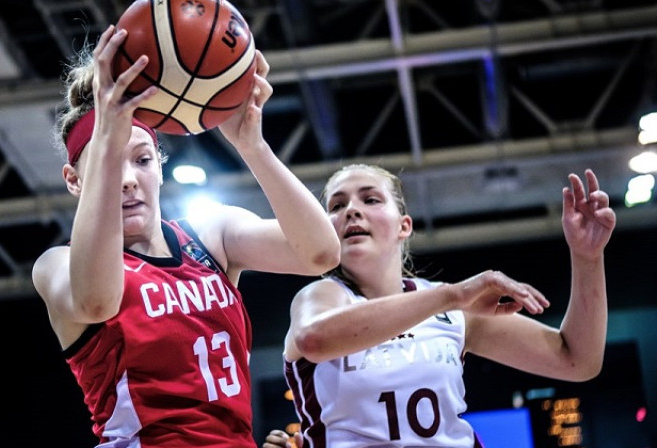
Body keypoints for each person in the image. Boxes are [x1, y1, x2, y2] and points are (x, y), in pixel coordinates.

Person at [31, 24, 341, 448]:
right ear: (74, 180)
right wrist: (105, 135)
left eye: (141, 159)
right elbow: (97, 301)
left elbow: (321, 254)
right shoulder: (56, 265)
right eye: (107, 162)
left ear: (159, 165)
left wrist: (252, 145)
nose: (127, 180)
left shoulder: (210, 234)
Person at [263, 164, 616, 448]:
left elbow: (577, 359)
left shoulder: (453, 311)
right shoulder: (322, 296)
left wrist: (587, 258)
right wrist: (452, 295)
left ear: (404, 226)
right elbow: (314, 339)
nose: (352, 210)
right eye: (337, 206)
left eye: (370, 199)